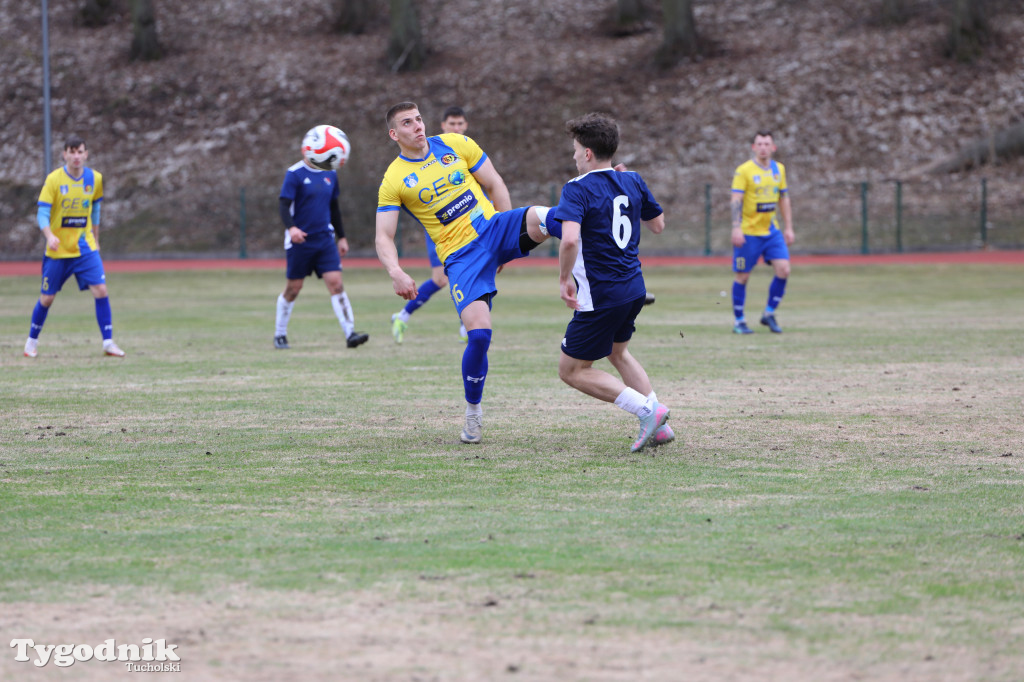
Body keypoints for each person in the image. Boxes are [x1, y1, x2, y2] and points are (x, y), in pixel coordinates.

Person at [376, 102, 554, 444]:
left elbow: (495, 182)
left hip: (492, 228)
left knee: (551, 217)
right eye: (407, 123)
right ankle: (473, 412)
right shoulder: (394, 179)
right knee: (480, 335)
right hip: (460, 257)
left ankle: (599, 266)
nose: (418, 126)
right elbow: (383, 235)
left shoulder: (456, 143)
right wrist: (395, 271)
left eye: (419, 119)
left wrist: (505, 233)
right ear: (394, 134)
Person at [553, 113, 672, 452]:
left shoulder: (576, 188)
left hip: (602, 295)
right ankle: (660, 428)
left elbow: (570, 240)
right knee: (618, 353)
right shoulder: (632, 180)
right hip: (634, 289)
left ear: (588, 153)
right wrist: (628, 189)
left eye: (576, 149)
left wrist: (563, 278)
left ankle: (648, 411)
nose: (574, 156)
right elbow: (658, 225)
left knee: (572, 370)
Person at [24, 135, 125, 359]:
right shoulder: (54, 180)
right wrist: (49, 235)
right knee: (47, 298)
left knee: (101, 290)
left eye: (80, 151)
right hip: (58, 249)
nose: (76, 156)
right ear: (65, 154)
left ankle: (108, 342)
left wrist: (96, 238)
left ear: (86, 154)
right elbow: (42, 213)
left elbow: (95, 210)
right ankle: (31, 342)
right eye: (72, 152)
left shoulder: (95, 178)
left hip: (84, 246)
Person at [273, 129, 369, 350]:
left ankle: (350, 333)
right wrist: (292, 229)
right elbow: (284, 205)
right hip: (300, 242)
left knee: (336, 284)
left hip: (325, 240)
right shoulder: (294, 174)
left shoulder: (331, 174)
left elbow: (334, 208)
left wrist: (342, 237)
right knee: (293, 289)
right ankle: (280, 334)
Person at [390, 105, 471, 344]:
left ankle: (466, 326)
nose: (456, 128)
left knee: (468, 272)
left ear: (465, 126)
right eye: (452, 124)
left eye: (460, 124)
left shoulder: (463, 149)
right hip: (441, 231)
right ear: (443, 126)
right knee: (441, 279)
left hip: (469, 226)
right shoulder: (429, 151)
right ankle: (404, 315)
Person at [729, 130, 794, 334]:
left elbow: (784, 198)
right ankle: (739, 321)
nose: (763, 148)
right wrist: (736, 227)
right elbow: (736, 200)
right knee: (742, 276)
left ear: (773, 147)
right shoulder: (744, 171)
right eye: (760, 144)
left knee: (784, 270)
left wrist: (788, 227)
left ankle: (769, 313)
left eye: (767, 144)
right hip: (748, 232)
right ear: (753, 147)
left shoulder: (779, 169)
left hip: (771, 231)